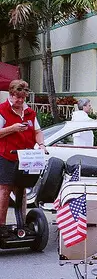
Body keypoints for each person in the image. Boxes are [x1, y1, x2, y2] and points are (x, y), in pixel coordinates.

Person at [0, 80, 46, 226]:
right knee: (5, 190)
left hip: (25, 158)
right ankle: (1, 226)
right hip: (6, 156)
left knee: (22, 190)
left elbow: (37, 131)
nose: (20, 100)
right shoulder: (2, 110)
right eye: (17, 97)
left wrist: (41, 144)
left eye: (23, 97)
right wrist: (12, 128)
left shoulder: (29, 112)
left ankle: (22, 225)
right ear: (11, 94)